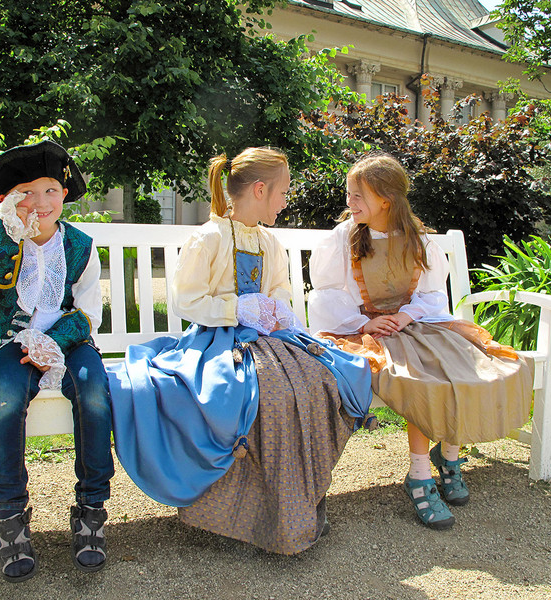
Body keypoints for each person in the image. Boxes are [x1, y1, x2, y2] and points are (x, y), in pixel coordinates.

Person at [107, 147, 373, 554]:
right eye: (283, 192)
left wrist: (275, 307)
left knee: (319, 382)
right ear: (261, 189)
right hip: (216, 341)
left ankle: (297, 503)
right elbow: (187, 301)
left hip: (266, 338)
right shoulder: (208, 237)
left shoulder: (270, 241)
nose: (286, 201)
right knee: (267, 395)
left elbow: (281, 287)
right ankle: (248, 513)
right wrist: (236, 307)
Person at [308, 153, 532, 530]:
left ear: (386, 200)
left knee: (466, 367)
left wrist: (406, 316)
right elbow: (326, 293)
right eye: (350, 194)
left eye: (357, 196)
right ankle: (419, 474)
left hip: (417, 324)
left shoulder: (419, 240)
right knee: (421, 379)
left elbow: (431, 295)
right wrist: (366, 321)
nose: (350, 203)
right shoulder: (343, 238)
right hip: (365, 332)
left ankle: (449, 458)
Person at [0, 141, 114, 581]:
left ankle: (92, 508)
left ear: (65, 194)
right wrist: (1, 233)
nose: (40, 202)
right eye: (27, 192)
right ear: (8, 199)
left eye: (51, 190)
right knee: (3, 402)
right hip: (9, 342)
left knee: (95, 395)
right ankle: (11, 518)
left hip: (69, 342)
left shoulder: (79, 245)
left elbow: (90, 313)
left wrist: (51, 341)